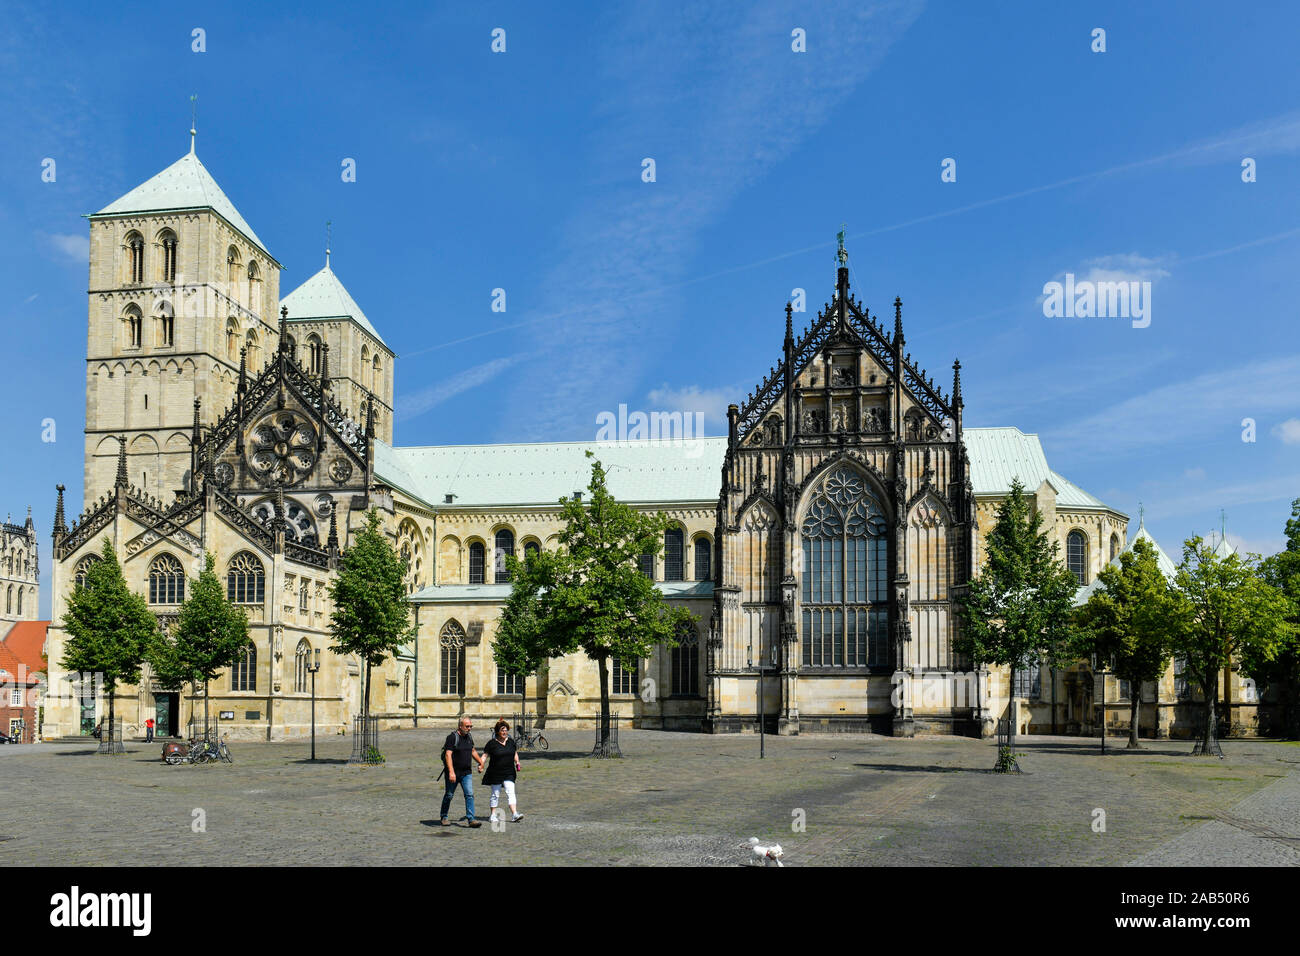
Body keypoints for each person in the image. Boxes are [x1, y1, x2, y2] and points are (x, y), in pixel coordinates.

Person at [440, 717, 485, 827]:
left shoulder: (469, 736)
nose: (469, 729)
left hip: (466, 773)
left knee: (469, 795)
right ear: (460, 726)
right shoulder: (452, 737)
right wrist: (451, 772)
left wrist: (480, 762)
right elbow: (448, 754)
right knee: (449, 795)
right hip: (453, 773)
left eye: (470, 726)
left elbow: (472, 750)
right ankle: (444, 816)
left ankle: (471, 819)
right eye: (467, 726)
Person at [482, 718, 523, 823]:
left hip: (509, 772)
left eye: (506, 730)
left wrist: (517, 762)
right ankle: (492, 815)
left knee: (511, 792)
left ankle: (514, 814)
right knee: (495, 794)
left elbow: (514, 753)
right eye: (502, 730)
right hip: (495, 773)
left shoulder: (511, 742)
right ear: (497, 732)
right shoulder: (492, 743)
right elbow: (485, 755)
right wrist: (481, 764)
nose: (504, 732)